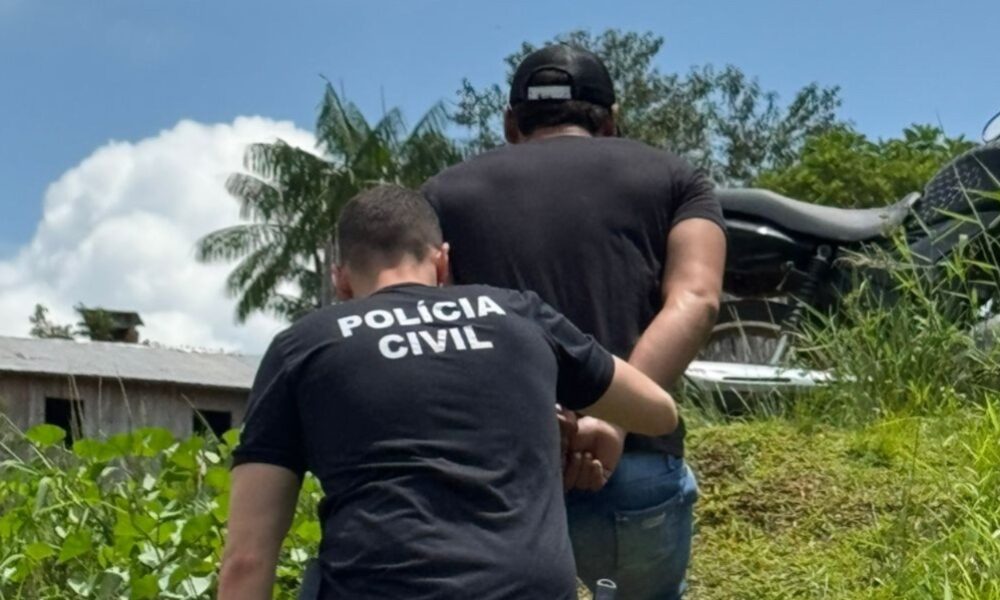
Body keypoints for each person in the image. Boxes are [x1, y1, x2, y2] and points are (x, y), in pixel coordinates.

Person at [218, 184, 680, 600]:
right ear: (442, 262)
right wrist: (592, 423)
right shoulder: (519, 314)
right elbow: (659, 413)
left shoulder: (302, 347)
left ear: (340, 279)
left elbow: (247, 560)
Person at [423, 45, 727, 598]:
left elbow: (417, 319)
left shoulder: (443, 195)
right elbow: (698, 298)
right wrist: (612, 423)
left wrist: (544, 427)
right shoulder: (678, 179)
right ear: (609, 120)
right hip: (635, 467)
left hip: (497, 479)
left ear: (512, 123)